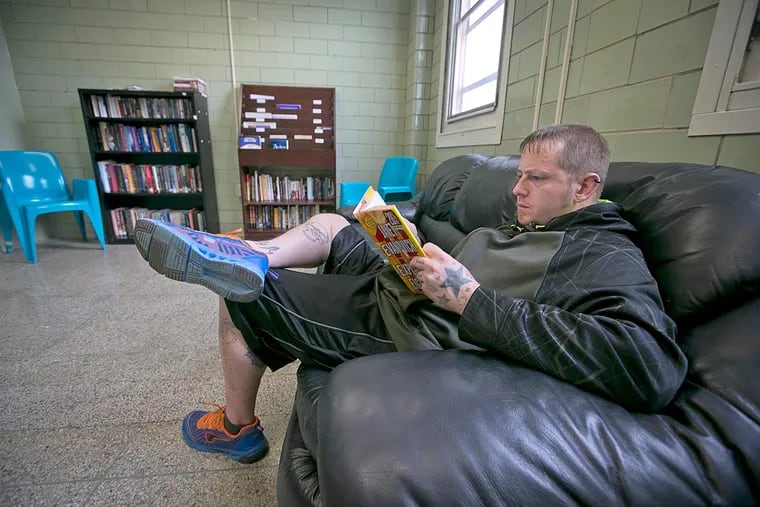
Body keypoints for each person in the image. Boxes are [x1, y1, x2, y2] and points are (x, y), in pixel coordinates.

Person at [134, 124, 687, 464]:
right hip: (409, 282)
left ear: (586, 187)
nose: (517, 189)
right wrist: (412, 249)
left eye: (536, 179)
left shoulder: (603, 253)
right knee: (332, 223)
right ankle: (245, 251)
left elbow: (649, 365)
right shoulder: (546, 226)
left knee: (238, 297)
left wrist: (467, 298)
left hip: (403, 325)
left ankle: (237, 429)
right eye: (520, 174)